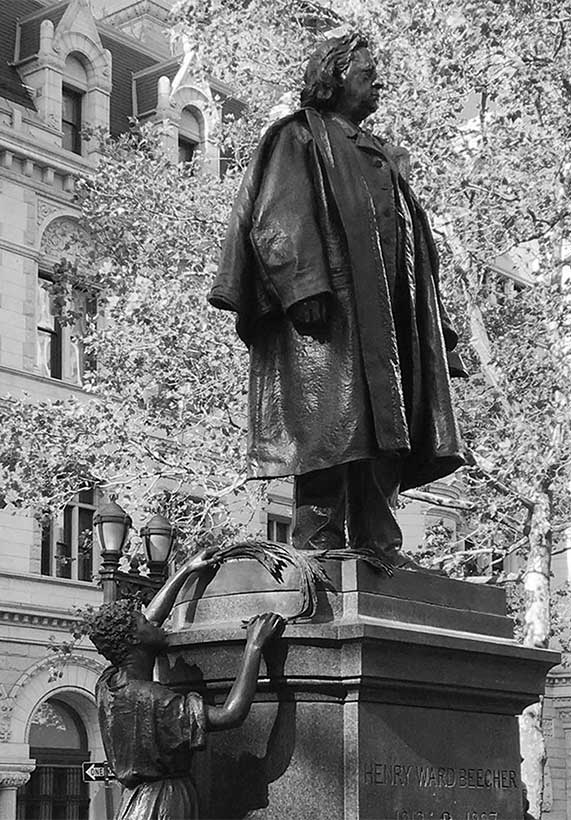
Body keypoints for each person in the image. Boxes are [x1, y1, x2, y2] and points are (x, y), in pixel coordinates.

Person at [209, 33, 469, 565]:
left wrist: (432, 323)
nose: (379, 81)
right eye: (368, 71)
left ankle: (379, 539)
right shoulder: (299, 137)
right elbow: (278, 213)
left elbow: (416, 248)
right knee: (329, 425)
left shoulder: (378, 155)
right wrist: (302, 285)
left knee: (382, 429)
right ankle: (318, 541)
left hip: (389, 320)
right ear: (335, 74)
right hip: (331, 312)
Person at [86, 547, 284, 820]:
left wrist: (186, 570)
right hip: (166, 802)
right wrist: (254, 646)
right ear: (134, 640)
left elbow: (150, 621)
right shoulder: (157, 700)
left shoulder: (107, 685)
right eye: (143, 622)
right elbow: (230, 714)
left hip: (133, 801)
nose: (155, 622)